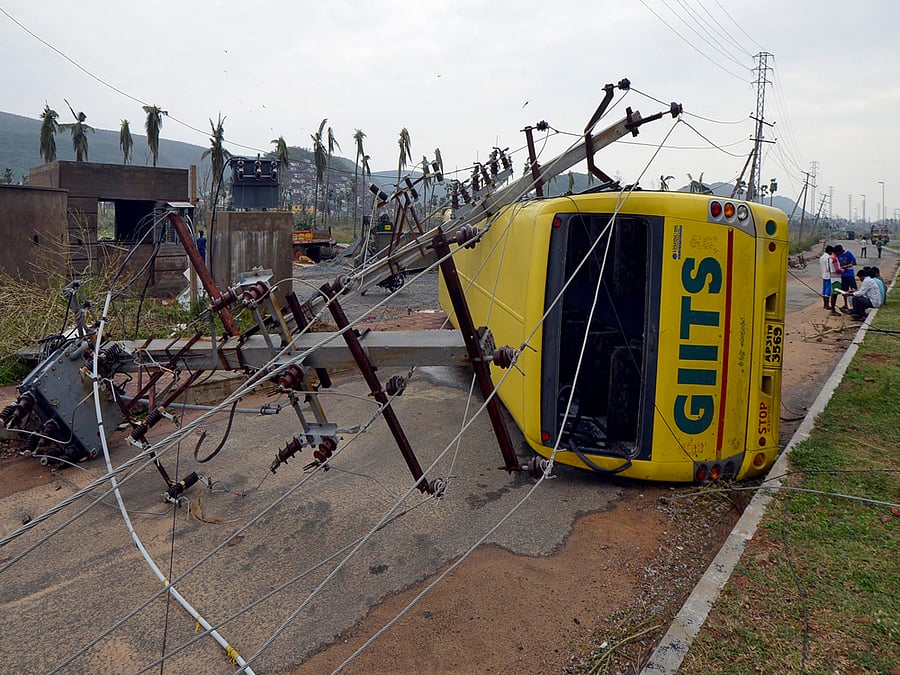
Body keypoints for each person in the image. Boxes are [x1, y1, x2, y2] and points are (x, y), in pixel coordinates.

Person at [819, 245, 835, 310]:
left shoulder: (822, 257)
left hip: (823, 275)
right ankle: (827, 305)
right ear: (829, 251)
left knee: (824, 290)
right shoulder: (828, 258)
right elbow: (829, 268)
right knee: (828, 291)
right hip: (828, 275)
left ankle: (825, 304)